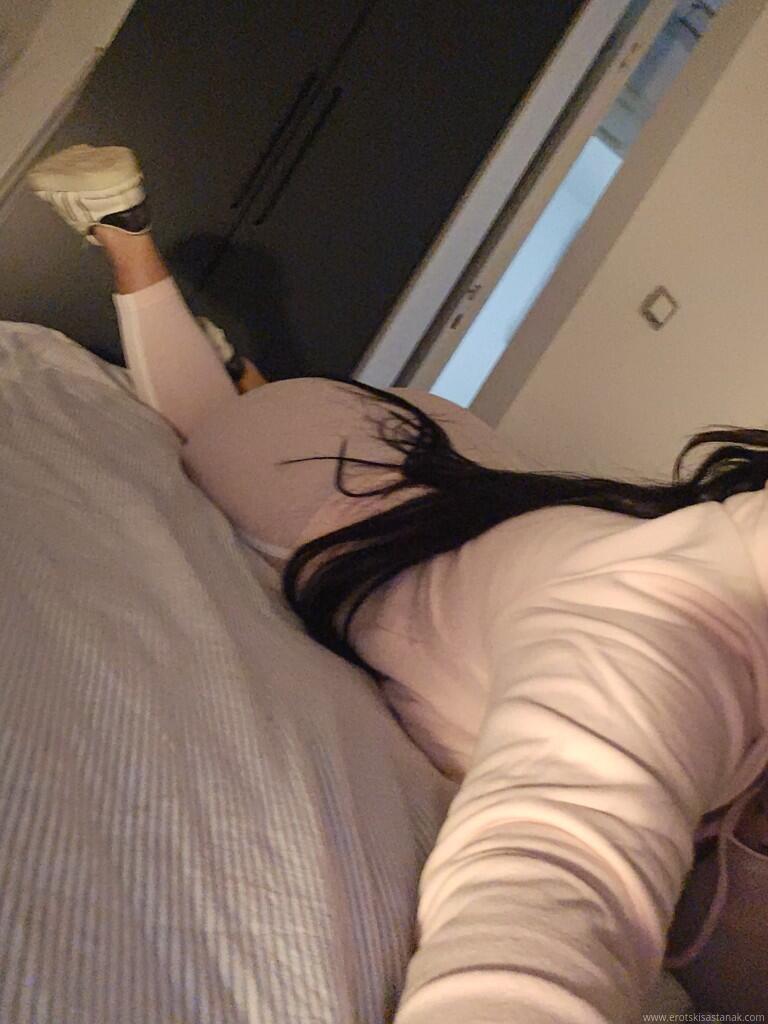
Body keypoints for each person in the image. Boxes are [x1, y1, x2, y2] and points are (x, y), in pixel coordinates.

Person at [27, 144, 768, 1023]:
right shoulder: (663, 629)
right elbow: (553, 875)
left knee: (282, 418)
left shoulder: (694, 572)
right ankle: (129, 241)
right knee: (208, 426)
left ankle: (237, 362)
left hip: (436, 461)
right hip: (316, 473)